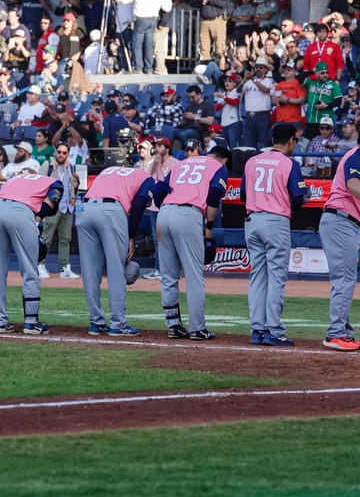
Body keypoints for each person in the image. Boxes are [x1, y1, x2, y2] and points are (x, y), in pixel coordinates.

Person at [156, 144, 231, 340]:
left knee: (168, 276)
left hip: (164, 213)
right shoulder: (218, 167)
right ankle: (197, 328)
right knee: (194, 275)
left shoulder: (182, 163)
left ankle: (173, 325)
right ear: (225, 159)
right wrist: (209, 227)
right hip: (189, 214)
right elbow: (214, 195)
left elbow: (159, 189)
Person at [242, 122, 308, 346]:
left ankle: (257, 329)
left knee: (258, 277)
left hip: (252, 220)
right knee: (277, 278)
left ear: (272, 140)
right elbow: (298, 198)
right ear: (291, 141)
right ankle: (274, 330)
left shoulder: (252, 161)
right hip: (275, 220)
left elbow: (243, 194)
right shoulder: (289, 163)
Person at [77, 165, 158, 336]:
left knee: (90, 271)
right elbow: (139, 204)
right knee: (116, 270)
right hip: (110, 210)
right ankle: (118, 323)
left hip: (84, 209)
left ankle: (96, 322)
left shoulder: (109, 170)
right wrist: (131, 236)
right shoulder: (148, 178)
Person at [0, 172, 62, 334]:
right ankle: (31, 322)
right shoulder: (54, 181)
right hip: (20, 210)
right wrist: (39, 216)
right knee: (29, 268)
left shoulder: (14, 180)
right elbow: (53, 198)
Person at [318, 142, 360, 351]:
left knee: (346, 278)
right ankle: (336, 334)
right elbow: (353, 184)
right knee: (344, 278)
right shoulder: (357, 154)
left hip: (345, 221)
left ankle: (343, 331)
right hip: (341, 220)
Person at [39, 142, 79, 279]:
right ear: (55, 152)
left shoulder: (71, 168)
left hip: (68, 206)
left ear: (68, 154)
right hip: (52, 207)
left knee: (66, 239)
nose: (61, 155)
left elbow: (72, 186)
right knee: (46, 238)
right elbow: (39, 185)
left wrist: (75, 187)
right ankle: (40, 265)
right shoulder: (48, 166)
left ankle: (65, 268)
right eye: (59, 152)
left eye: (64, 153)